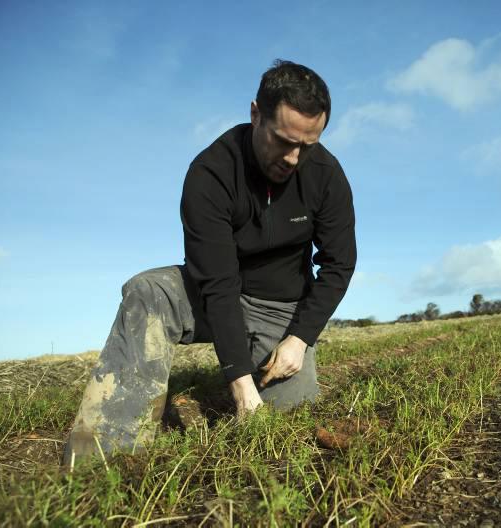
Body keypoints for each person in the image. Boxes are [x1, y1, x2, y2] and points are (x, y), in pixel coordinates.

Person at [62, 60, 356, 466]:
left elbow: (339, 264)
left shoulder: (326, 175)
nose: (293, 158)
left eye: (307, 145)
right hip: (216, 292)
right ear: (256, 115)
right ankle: (105, 456)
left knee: (289, 423)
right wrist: (240, 384)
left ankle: (270, 367)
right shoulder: (210, 173)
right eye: (284, 141)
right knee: (148, 290)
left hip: (281, 309)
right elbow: (218, 283)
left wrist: (299, 339)